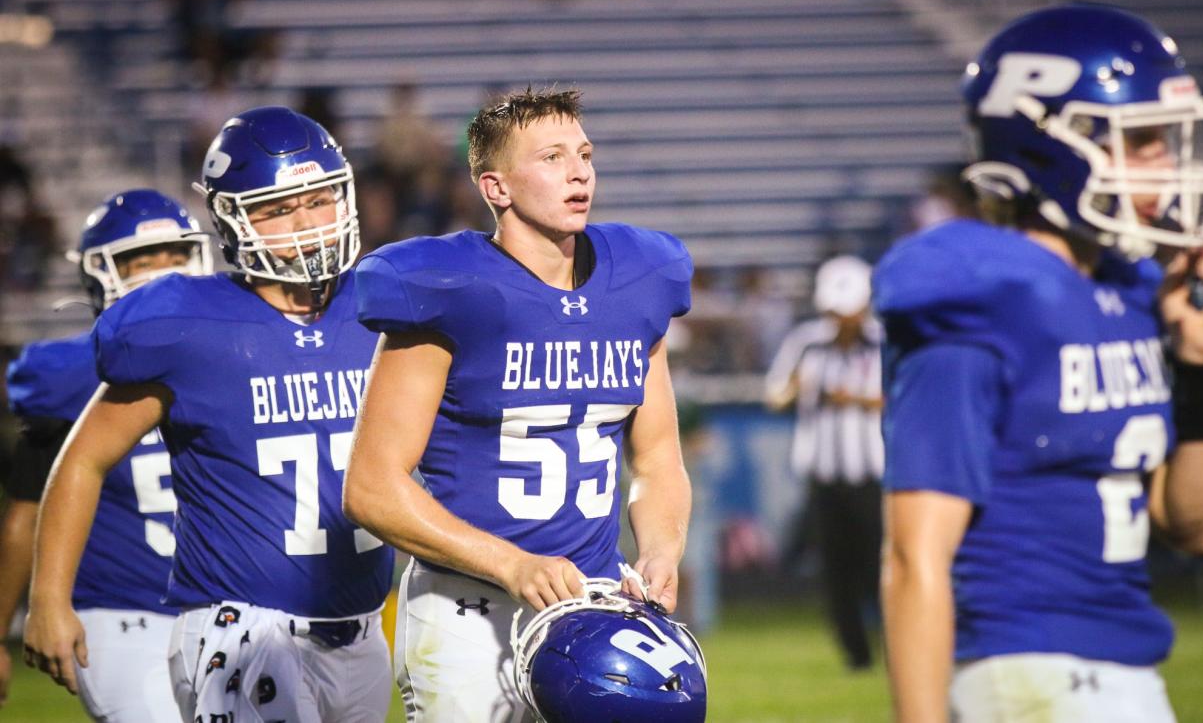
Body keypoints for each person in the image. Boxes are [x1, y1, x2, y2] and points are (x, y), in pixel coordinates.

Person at [875, 3, 1203, 723]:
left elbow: (1200, 530)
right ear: (1051, 150)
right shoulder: (980, 296)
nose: (1167, 165)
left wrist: (1199, 368)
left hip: (1124, 663)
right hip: (1025, 666)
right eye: (1141, 143)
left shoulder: (1129, 289)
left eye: (1166, 140)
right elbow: (916, 559)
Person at [23, 107, 395, 722]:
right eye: (278, 209)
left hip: (358, 631)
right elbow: (83, 459)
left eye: (320, 199)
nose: (306, 222)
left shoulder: (381, 304)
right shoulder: (188, 323)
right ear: (232, 219)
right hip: (245, 626)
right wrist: (49, 598)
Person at [343, 87, 695, 721]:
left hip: (592, 606)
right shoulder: (449, 286)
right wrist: (511, 563)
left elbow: (658, 455)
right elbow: (371, 488)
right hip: (467, 609)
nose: (579, 170)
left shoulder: (640, 278)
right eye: (552, 157)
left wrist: (661, 549)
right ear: (495, 188)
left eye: (584, 154)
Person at [0, 189, 211, 718]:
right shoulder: (69, 375)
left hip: (223, 610)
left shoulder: (234, 353)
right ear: (100, 272)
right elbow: (26, 512)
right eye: (140, 260)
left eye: (175, 255)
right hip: (123, 616)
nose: (162, 273)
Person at [765, 254, 884, 671]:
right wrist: (797, 389)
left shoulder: (883, 341)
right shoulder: (807, 341)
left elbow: (904, 397)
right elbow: (775, 394)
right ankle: (856, 655)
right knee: (836, 573)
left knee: (878, 567)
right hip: (823, 475)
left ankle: (893, 645)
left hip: (872, 475)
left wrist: (854, 399)